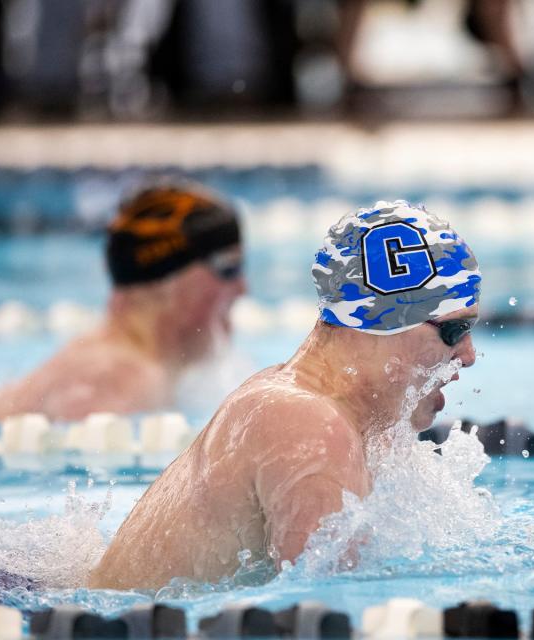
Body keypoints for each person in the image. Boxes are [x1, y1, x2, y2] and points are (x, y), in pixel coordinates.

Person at [88, 200, 481, 590]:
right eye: (452, 330)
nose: (467, 355)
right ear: (382, 323)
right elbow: (323, 617)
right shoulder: (310, 427)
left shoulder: (300, 403)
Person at [0, 180, 246, 422]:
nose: (241, 288)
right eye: (228, 266)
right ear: (168, 279)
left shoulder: (142, 368)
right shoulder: (119, 380)